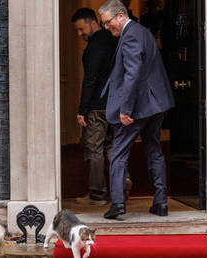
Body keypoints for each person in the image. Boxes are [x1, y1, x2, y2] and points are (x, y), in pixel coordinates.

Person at [98, 0, 175, 219]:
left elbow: (133, 73)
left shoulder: (130, 34)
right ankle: (161, 203)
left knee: (119, 153)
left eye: (108, 22)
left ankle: (118, 204)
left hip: (138, 106)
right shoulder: (142, 32)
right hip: (156, 104)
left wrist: (125, 109)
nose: (106, 27)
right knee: (154, 149)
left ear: (120, 15)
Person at [71, 8, 117, 206]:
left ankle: (97, 195)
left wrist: (83, 109)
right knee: (112, 146)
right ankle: (122, 182)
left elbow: (90, 79)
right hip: (116, 103)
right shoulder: (114, 39)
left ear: (92, 22)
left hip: (97, 106)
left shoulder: (94, 47)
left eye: (81, 29)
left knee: (94, 148)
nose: (80, 34)